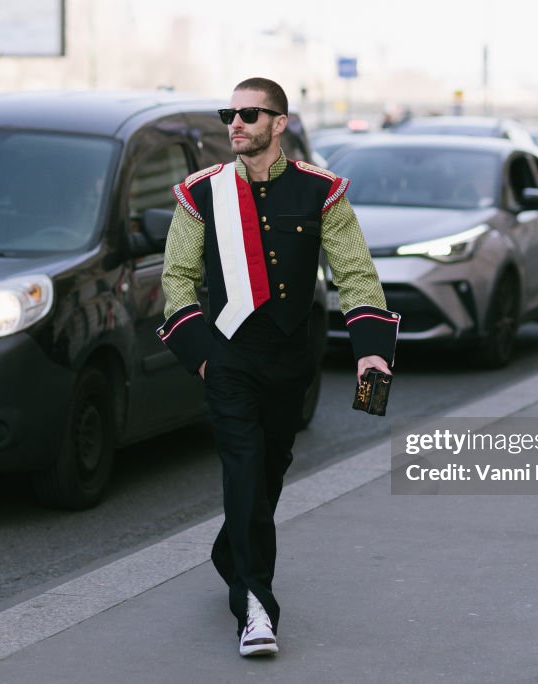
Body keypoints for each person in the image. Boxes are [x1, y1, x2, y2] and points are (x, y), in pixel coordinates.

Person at [156, 77, 399, 656]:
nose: (234, 124)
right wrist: (204, 360)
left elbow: (356, 273)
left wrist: (371, 348)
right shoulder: (201, 193)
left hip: (291, 361)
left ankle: (228, 554)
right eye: (229, 114)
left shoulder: (323, 192)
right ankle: (256, 607)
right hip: (229, 357)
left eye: (248, 114)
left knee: (269, 471)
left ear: (278, 123)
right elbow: (177, 280)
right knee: (242, 469)